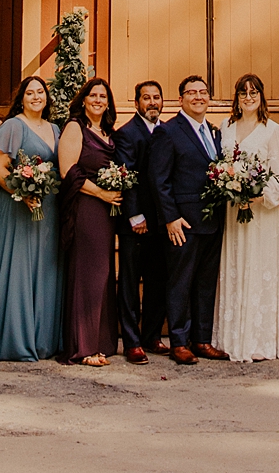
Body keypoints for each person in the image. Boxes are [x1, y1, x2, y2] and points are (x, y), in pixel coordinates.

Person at [0, 75, 62, 362]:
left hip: (48, 210)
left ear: (46, 97)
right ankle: (13, 338)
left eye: (40, 92)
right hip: (18, 208)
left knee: (44, 269)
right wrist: (22, 192)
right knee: (19, 269)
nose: (36, 97)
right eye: (30, 93)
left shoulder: (55, 128)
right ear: (21, 98)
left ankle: (41, 339)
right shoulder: (13, 125)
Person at [149, 73, 229, 366]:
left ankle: (202, 339)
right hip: (182, 224)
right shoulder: (168, 132)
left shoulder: (215, 132)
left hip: (212, 221)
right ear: (181, 98)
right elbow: (159, 180)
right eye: (192, 92)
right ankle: (179, 342)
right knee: (180, 283)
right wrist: (170, 218)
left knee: (205, 283)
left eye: (203, 92)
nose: (198, 97)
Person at [211, 72, 279, 363]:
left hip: (261, 214)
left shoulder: (272, 130)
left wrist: (258, 196)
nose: (248, 97)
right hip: (233, 211)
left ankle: (258, 340)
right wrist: (228, 186)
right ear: (237, 97)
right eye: (243, 92)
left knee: (257, 267)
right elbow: (221, 166)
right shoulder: (226, 127)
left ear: (261, 95)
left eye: (253, 92)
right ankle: (231, 338)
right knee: (234, 266)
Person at [58, 76, 121, 366]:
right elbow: (68, 171)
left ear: (108, 103)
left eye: (103, 96)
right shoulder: (75, 127)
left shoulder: (108, 132)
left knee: (103, 274)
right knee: (87, 275)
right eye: (93, 95)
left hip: (106, 213)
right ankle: (82, 347)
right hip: (85, 207)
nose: (98, 100)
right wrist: (101, 193)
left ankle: (100, 341)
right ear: (83, 100)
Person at [114, 79, 169, 364]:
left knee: (157, 281)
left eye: (156, 97)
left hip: (161, 222)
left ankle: (151, 336)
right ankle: (132, 342)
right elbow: (128, 177)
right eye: (146, 98)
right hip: (136, 222)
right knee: (130, 283)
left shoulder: (167, 131)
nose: (152, 102)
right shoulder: (127, 134)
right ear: (137, 103)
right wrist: (135, 215)